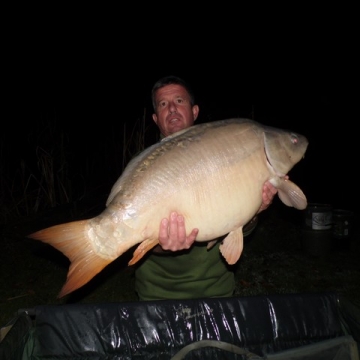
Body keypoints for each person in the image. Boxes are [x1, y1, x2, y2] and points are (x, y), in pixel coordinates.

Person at [134, 75, 277, 301]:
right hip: (156, 293)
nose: (171, 108)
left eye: (179, 101)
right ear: (155, 118)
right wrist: (160, 245)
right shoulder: (142, 171)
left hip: (216, 291)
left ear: (195, 111)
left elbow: (239, 226)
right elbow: (134, 239)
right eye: (163, 104)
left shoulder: (226, 155)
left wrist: (255, 210)